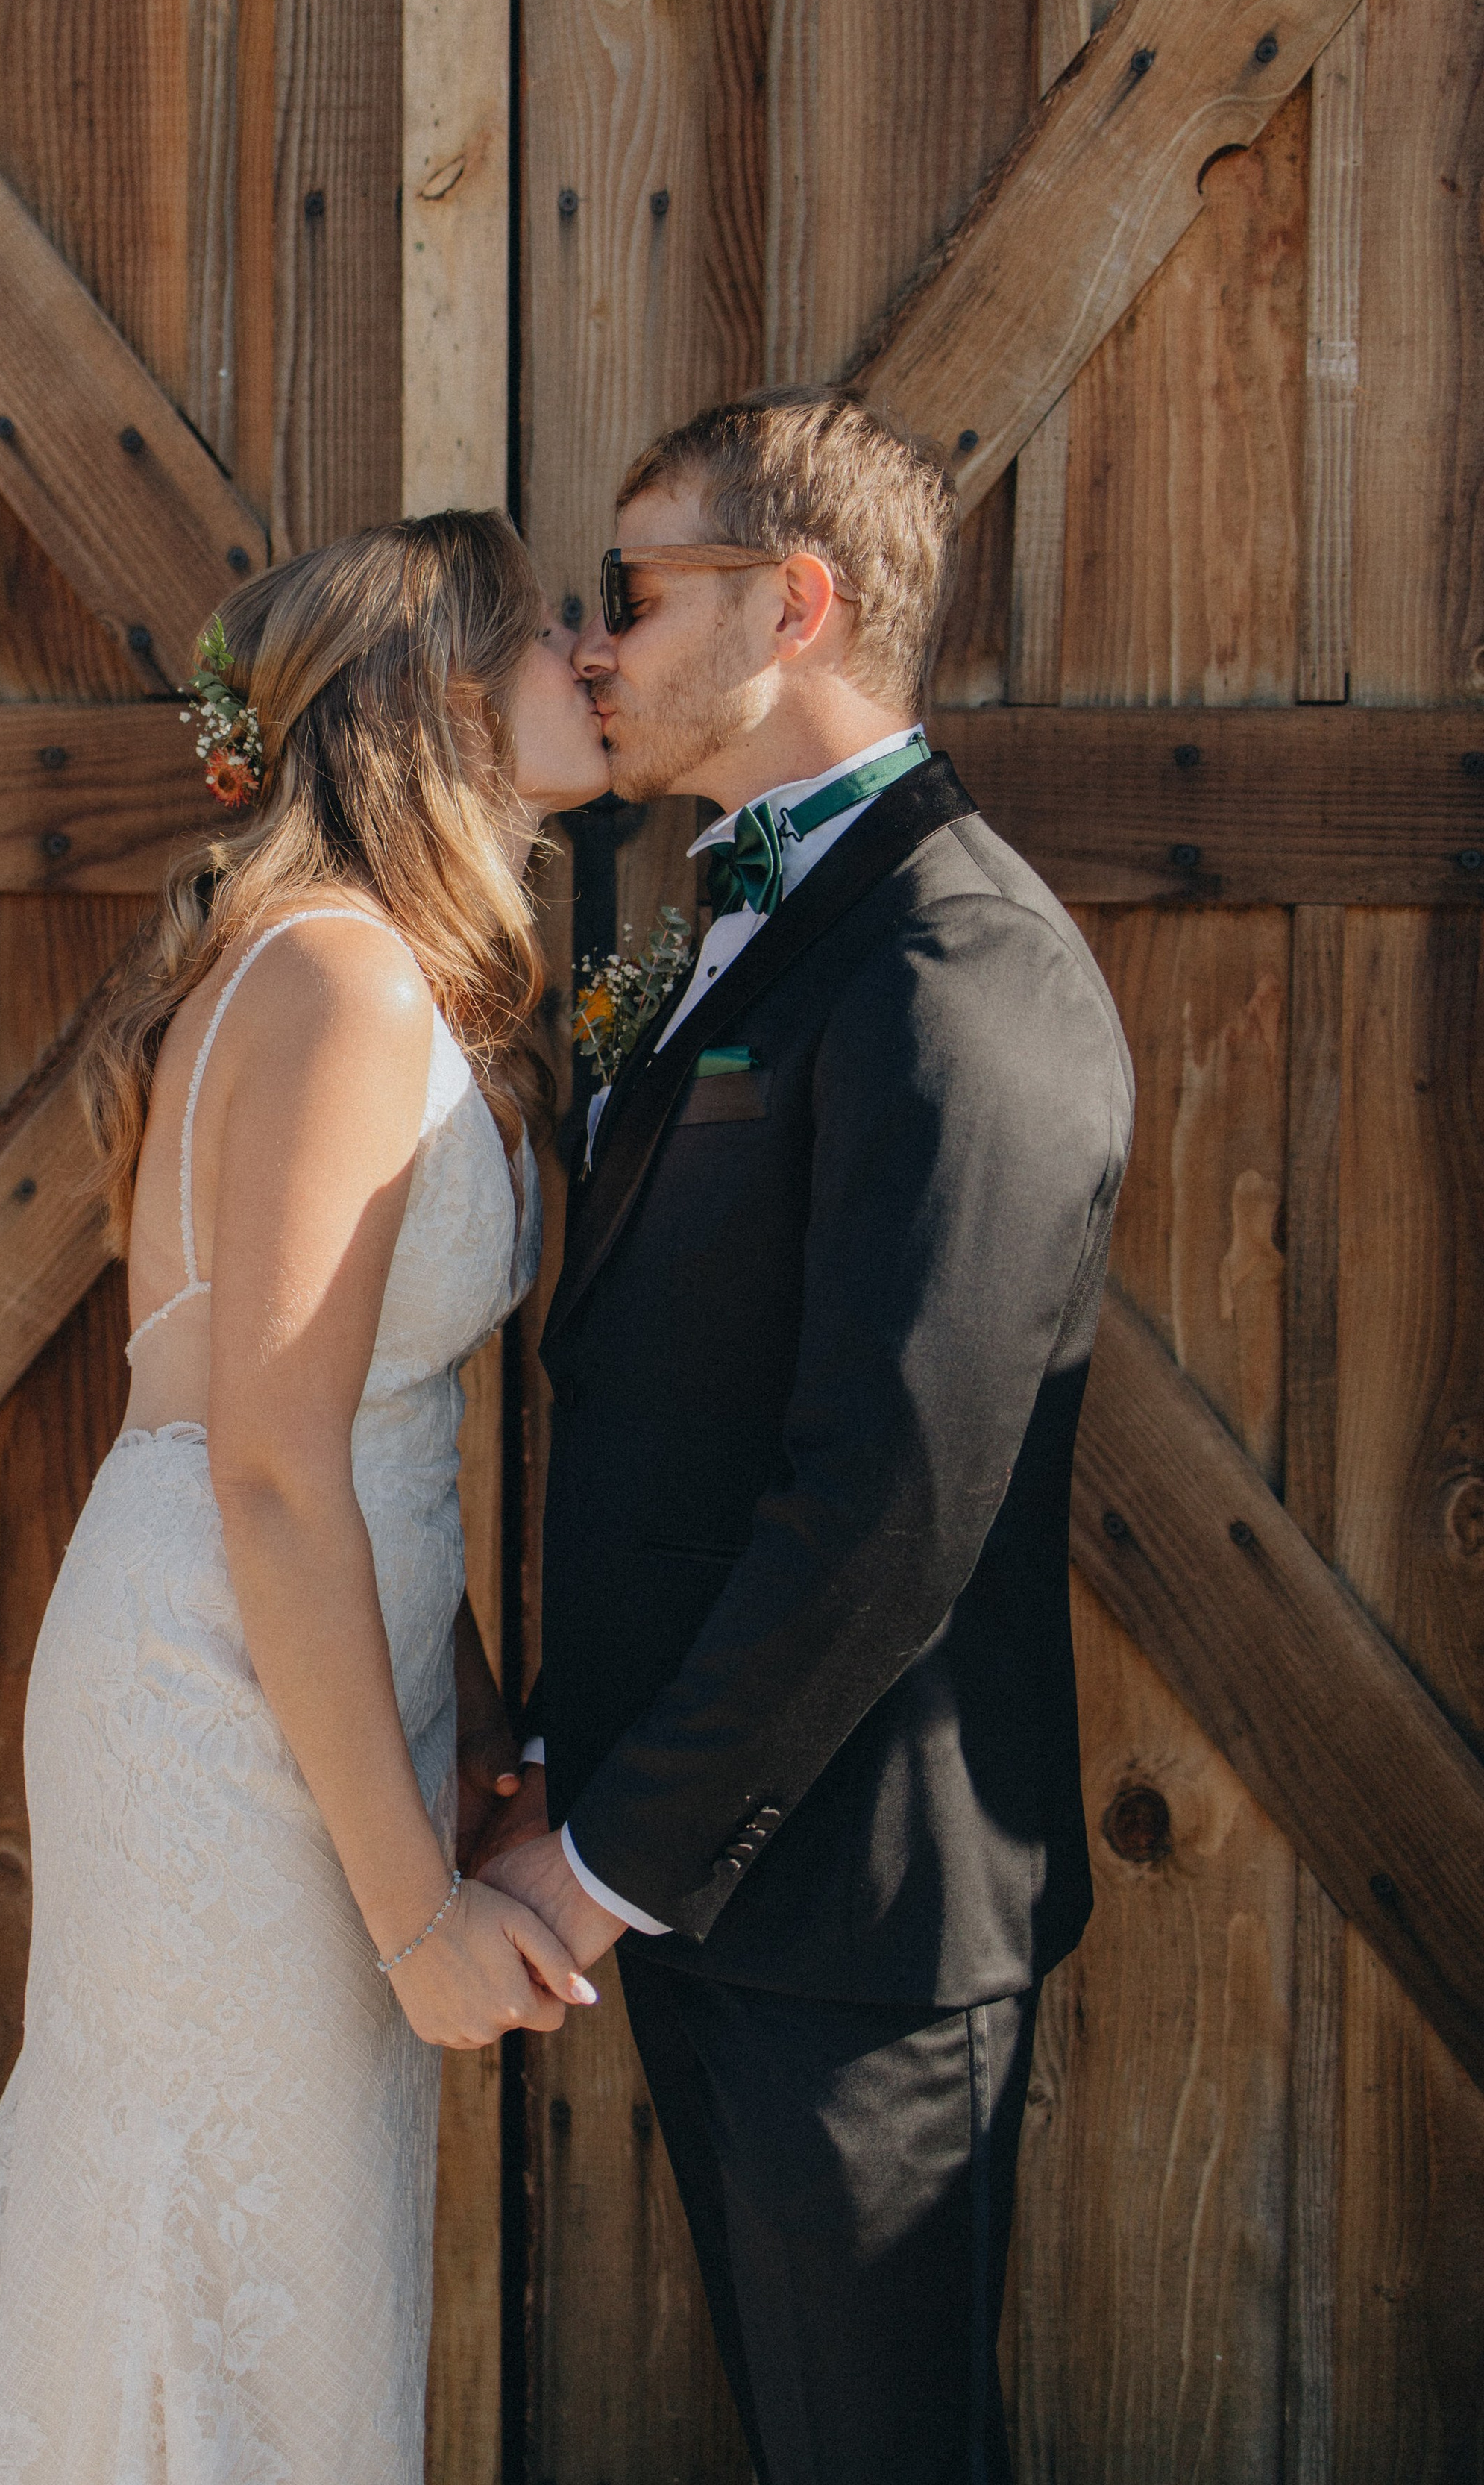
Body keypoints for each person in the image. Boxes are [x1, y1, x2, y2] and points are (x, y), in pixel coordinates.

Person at [0, 511, 611, 2484]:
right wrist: (420, 1920)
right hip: (225, 1691)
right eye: (550, 633)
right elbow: (273, 1471)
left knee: (248, 2254)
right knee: (212, 2260)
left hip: (311, 1666)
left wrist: (473, 1716)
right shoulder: (343, 981)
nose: (595, 657)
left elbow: (355, 1434)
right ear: (445, 702)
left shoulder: (351, 968)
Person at [479, 386, 1134, 2485]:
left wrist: (606, 1866)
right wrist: (580, 1770)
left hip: (850, 1916)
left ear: (796, 606)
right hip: (708, 1875)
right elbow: (678, 1405)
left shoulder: (962, 966)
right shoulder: (744, 917)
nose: (596, 645)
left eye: (634, 589)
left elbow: (888, 1502)